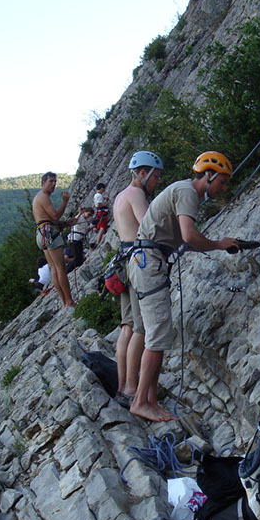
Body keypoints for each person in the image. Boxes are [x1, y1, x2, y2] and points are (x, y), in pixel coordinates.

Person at [126, 151, 240, 422]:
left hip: (147, 261)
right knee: (158, 333)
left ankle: (150, 399)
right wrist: (219, 245)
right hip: (150, 262)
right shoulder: (188, 192)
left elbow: (184, 239)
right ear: (208, 175)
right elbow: (189, 236)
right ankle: (141, 401)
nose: (223, 188)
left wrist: (214, 244)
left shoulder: (184, 191)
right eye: (221, 182)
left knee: (158, 331)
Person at [112, 151, 164, 409]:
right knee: (141, 328)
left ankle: (123, 386)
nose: (157, 181)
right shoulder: (136, 195)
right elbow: (148, 227)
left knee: (127, 326)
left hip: (122, 260)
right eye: (155, 176)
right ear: (142, 173)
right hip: (137, 261)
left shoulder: (120, 196)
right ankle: (132, 387)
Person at [32, 172, 76, 308]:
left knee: (54, 268)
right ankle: (69, 301)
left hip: (42, 233)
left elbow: (49, 220)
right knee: (60, 267)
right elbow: (55, 216)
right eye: (50, 181)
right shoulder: (44, 197)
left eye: (54, 182)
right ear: (43, 183)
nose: (53, 184)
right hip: (48, 232)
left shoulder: (38, 198)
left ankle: (65, 301)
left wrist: (66, 223)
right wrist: (65, 201)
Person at [92, 182, 110, 249]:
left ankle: (98, 240)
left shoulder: (97, 195)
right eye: (104, 188)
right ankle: (98, 242)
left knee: (102, 227)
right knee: (102, 227)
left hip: (100, 212)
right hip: (102, 212)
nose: (104, 190)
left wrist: (104, 198)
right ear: (101, 188)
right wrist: (105, 204)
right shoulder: (99, 196)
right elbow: (99, 205)